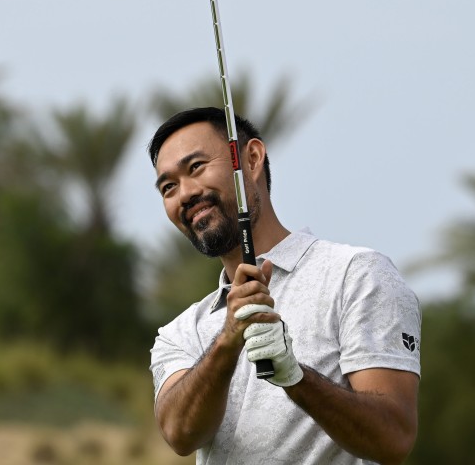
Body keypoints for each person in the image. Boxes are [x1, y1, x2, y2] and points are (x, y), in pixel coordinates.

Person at [147, 107, 421, 465]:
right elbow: (181, 434)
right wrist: (228, 341)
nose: (184, 193)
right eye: (168, 187)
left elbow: (393, 438)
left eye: (196, 167)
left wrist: (295, 377)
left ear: (252, 158)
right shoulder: (180, 333)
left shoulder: (356, 274)